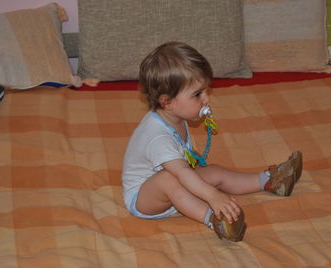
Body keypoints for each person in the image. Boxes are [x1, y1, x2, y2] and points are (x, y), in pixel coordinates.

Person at [122, 42, 302, 242]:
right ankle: (214, 219)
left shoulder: (176, 116)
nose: (206, 99)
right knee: (169, 179)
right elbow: (181, 172)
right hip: (144, 200)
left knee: (213, 171)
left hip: (175, 183)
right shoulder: (157, 137)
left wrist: (200, 174)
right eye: (198, 94)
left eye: (206, 91)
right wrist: (212, 195)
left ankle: (269, 181)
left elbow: (186, 162)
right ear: (167, 102)